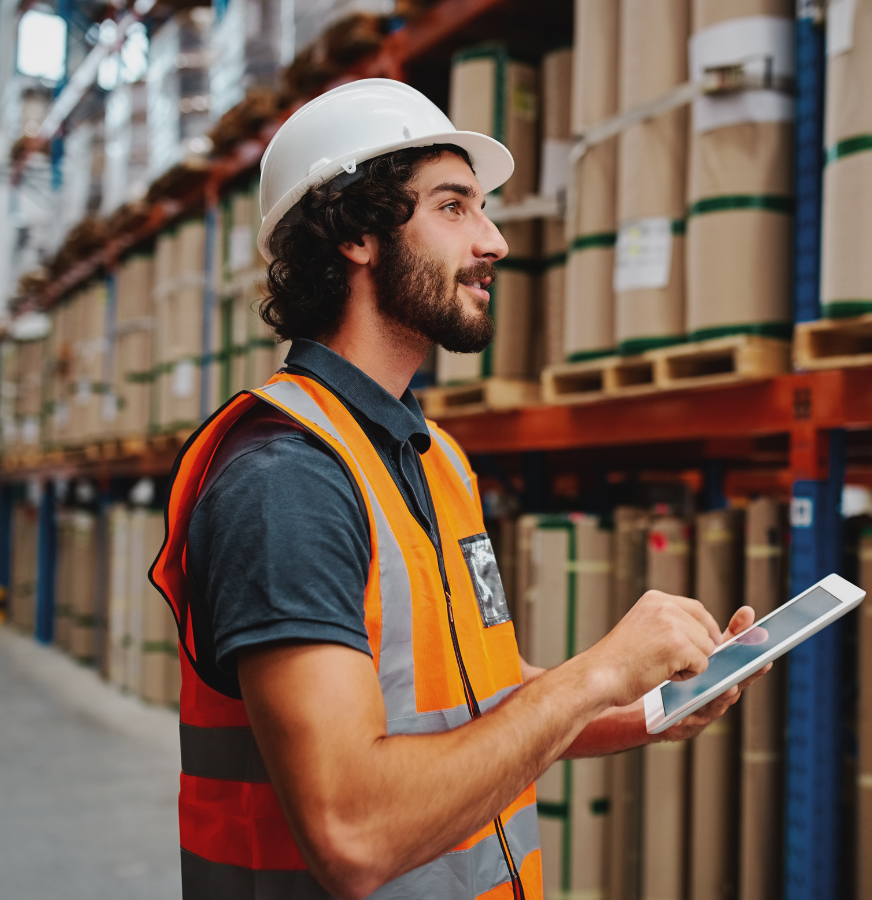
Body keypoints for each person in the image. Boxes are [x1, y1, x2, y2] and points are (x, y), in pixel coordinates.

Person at [151, 79, 769, 900]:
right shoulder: (286, 480)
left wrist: (647, 706)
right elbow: (352, 834)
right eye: (454, 208)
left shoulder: (432, 456)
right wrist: (596, 671)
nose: (495, 242)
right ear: (358, 235)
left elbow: (484, 697)